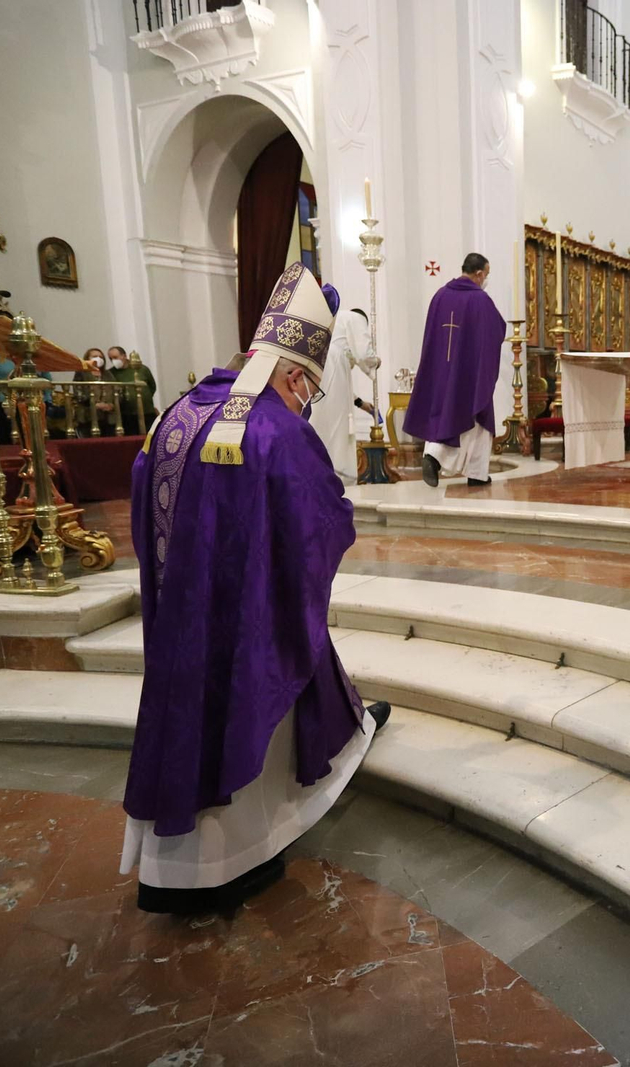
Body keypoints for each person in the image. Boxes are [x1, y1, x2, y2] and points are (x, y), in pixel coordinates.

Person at [120, 261, 388, 915]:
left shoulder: (179, 410)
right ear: (296, 374)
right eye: (310, 391)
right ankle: (230, 862)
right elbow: (317, 519)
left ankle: (165, 868)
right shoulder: (275, 429)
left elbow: (140, 495)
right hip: (245, 629)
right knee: (257, 702)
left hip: (179, 623)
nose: (305, 402)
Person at [404, 253, 505, 488]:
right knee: (476, 415)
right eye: (486, 275)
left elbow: (431, 337)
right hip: (470, 370)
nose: (485, 280)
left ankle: (441, 457)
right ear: (479, 274)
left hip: (442, 369)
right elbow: (496, 331)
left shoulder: (439, 296)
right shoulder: (480, 300)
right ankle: (463, 468)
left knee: (444, 412)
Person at [316, 306, 381, 483]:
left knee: (324, 424)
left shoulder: (336, 327)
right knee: (338, 425)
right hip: (333, 366)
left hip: (319, 367)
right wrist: (375, 362)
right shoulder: (356, 317)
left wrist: (360, 403)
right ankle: (340, 475)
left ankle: (325, 472)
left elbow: (341, 389)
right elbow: (363, 353)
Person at [106, 346, 158, 432]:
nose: (113, 361)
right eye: (111, 359)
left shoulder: (142, 369)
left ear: (124, 356)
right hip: (127, 414)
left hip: (147, 411)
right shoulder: (111, 373)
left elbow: (152, 386)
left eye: (115, 357)